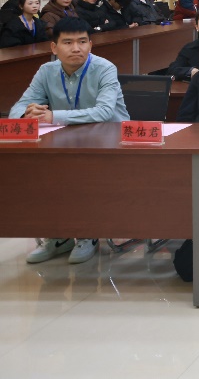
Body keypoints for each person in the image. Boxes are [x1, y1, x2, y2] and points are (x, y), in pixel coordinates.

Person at [10, 17, 128, 265]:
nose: (76, 48)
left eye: (82, 42)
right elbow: (19, 106)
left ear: (90, 45)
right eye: (68, 42)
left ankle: (87, 234)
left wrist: (53, 116)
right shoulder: (46, 71)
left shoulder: (105, 68)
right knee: (39, 173)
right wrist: (26, 114)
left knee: (81, 174)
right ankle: (58, 236)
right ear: (54, 47)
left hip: (109, 142)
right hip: (65, 142)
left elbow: (104, 112)